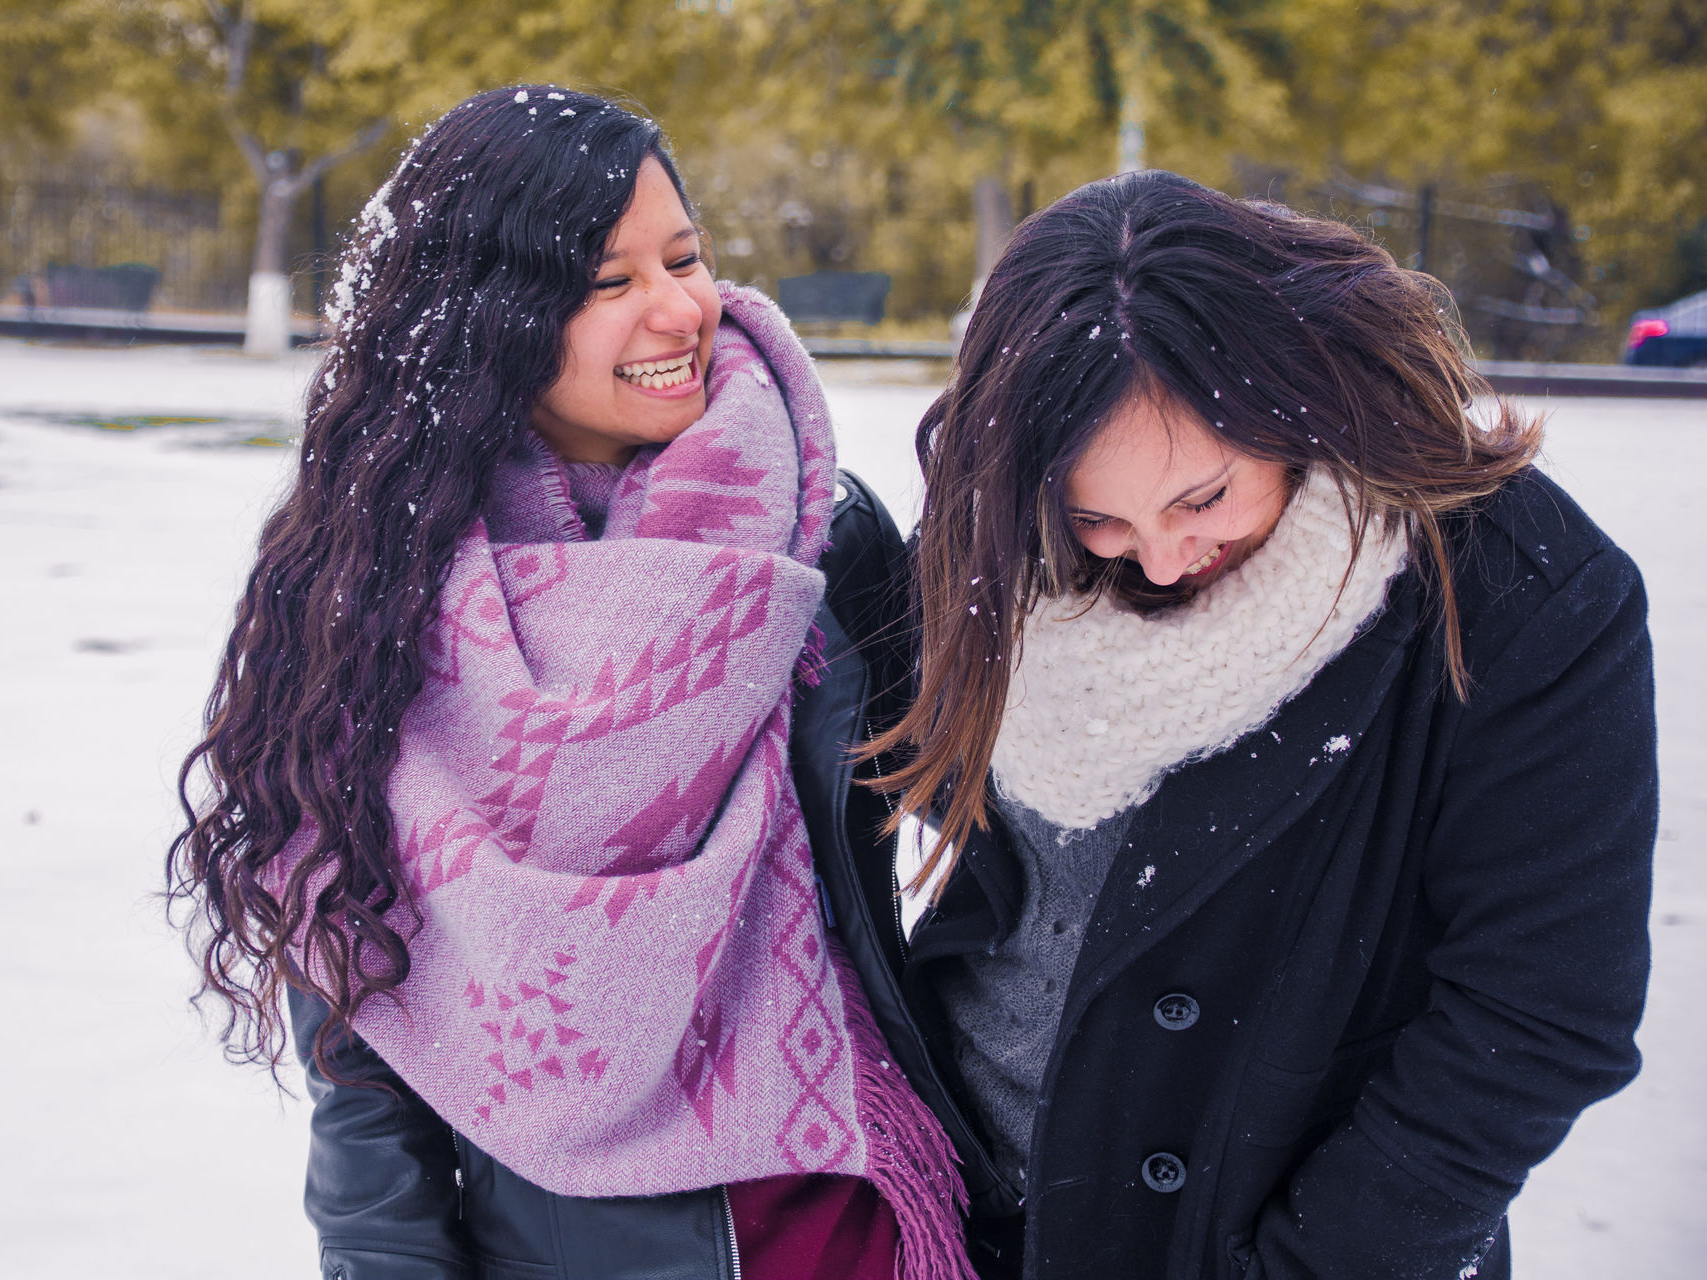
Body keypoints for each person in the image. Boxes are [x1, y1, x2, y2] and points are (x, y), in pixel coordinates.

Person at [164, 86, 975, 1280]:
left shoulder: (816, 542)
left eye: (686, 258)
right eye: (609, 282)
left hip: (858, 1220)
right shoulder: (374, 595)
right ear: (482, 319)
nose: (678, 308)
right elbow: (362, 1035)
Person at [866, 170, 1658, 1279]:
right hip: (985, 1220)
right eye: (1099, 515)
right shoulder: (1008, 550)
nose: (1157, 556)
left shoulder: (1516, 594)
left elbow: (1542, 1015)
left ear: (1301, 401)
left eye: (1204, 499)